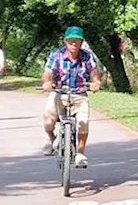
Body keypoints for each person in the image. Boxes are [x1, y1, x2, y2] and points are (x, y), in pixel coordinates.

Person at [41, 26, 101, 168]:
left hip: (79, 93)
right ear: (65, 41)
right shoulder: (57, 55)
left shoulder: (87, 56)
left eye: (77, 41)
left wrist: (96, 82)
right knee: (48, 119)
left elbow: (94, 71)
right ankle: (51, 137)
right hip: (59, 93)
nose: (74, 44)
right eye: (71, 41)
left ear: (81, 42)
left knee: (83, 122)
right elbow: (47, 72)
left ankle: (80, 153)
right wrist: (47, 82)